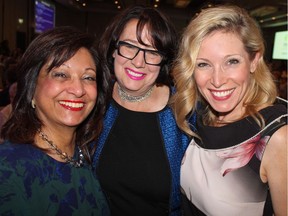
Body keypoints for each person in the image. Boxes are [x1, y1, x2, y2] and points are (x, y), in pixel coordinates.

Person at [171, 5, 287, 216]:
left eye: (232, 61)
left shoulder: (278, 137)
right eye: (204, 64)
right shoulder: (201, 115)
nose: (217, 80)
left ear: (254, 61)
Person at [91, 5, 195, 216]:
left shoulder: (184, 109)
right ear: (113, 49)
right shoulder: (94, 100)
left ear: (164, 59)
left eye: (153, 52)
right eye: (129, 46)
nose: (139, 62)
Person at [0, 26, 110, 215]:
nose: (78, 89)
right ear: (31, 86)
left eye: (88, 77)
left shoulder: (85, 153)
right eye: (61, 74)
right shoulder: (9, 171)